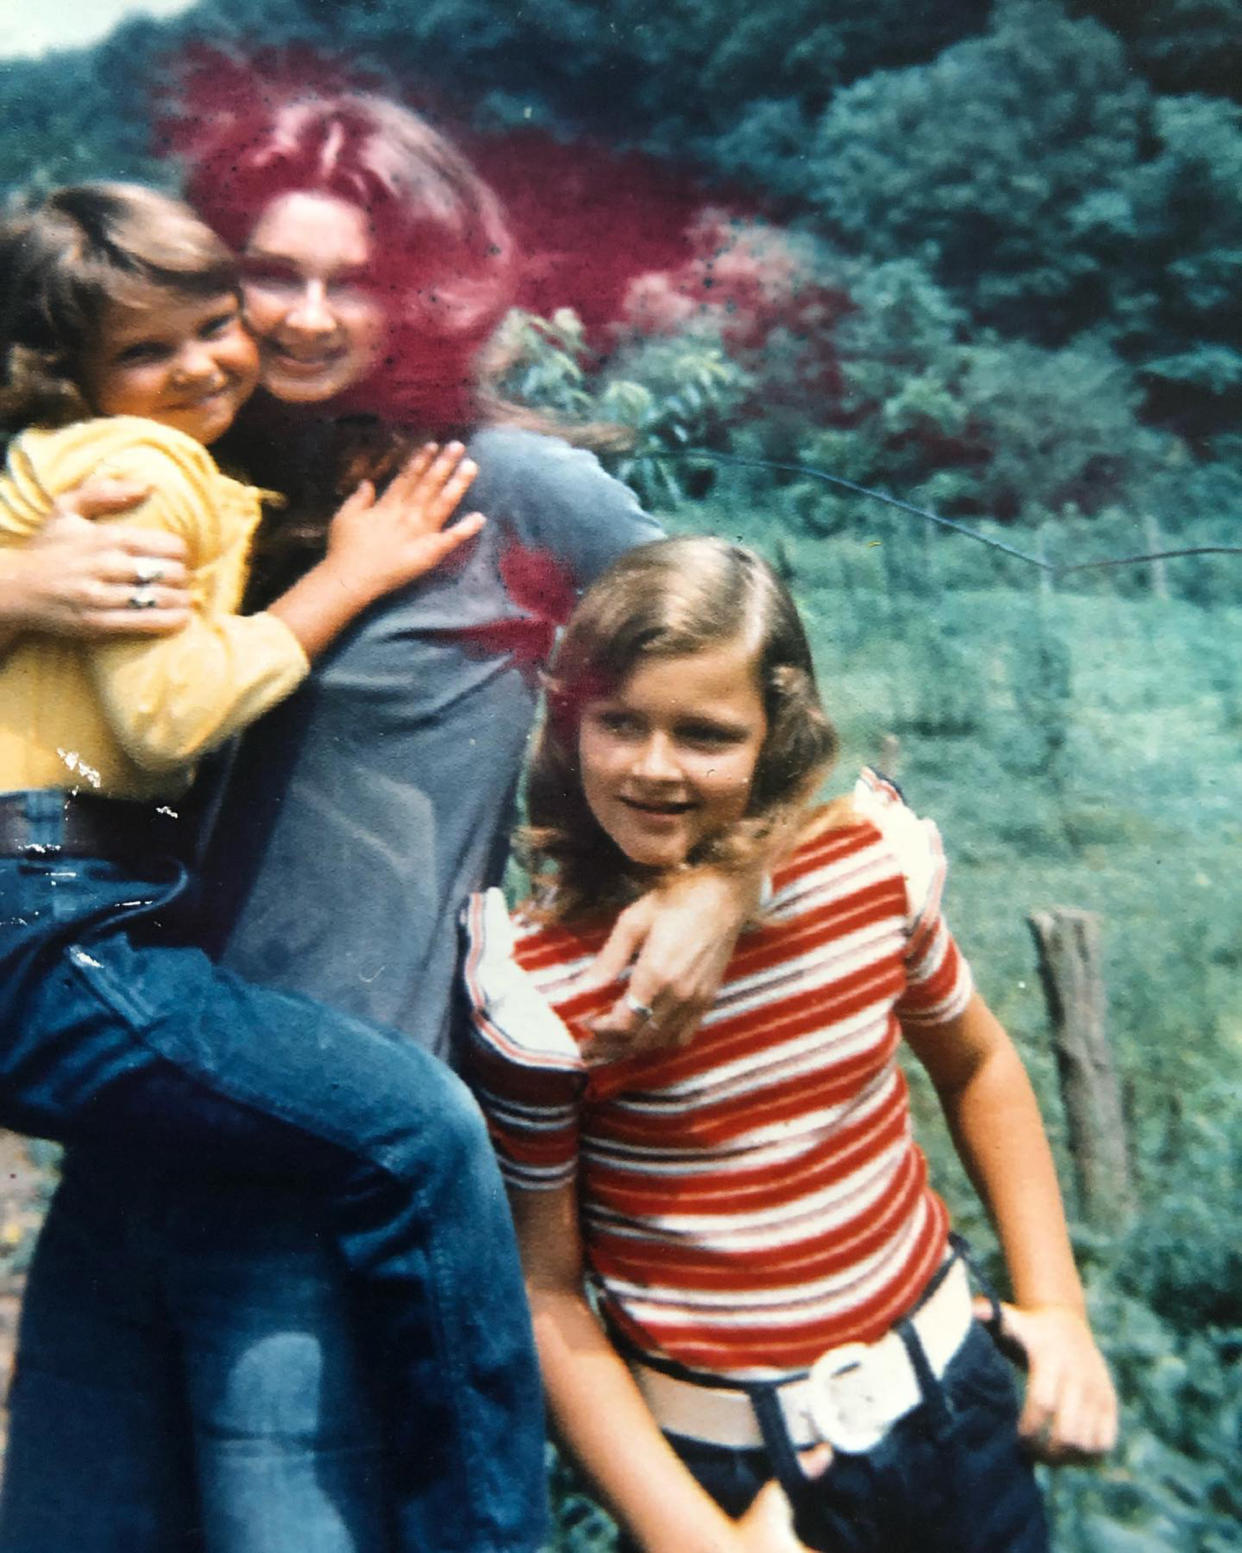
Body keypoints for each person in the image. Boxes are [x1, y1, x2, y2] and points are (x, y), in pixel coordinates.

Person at [3, 84, 757, 1553]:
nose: (296, 315)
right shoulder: (172, 455)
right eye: (268, 275)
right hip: (135, 1115)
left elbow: (758, 675)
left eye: (349, 278)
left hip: (313, 1166)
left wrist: (715, 871)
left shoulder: (509, 487)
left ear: (430, 283)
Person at [0, 181, 547, 1553]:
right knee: (417, 1127)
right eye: (148, 348)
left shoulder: (60, 459)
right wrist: (345, 579)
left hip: (61, 905)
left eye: (208, 323)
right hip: (51, 914)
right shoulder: (142, 471)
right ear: (76, 371)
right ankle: (487, 1534)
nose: (206, 361)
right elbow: (162, 717)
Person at [462, 536, 1120, 1553]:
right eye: (618, 722)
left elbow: (979, 1061)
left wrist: (1059, 1305)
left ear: (777, 736)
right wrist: (694, 1538)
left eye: (707, 733)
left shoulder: (865, 874)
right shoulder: (538, 990)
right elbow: (546, 1288)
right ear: (567, 722)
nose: (654, 765)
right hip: (734, 1476)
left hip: (958, 1405)